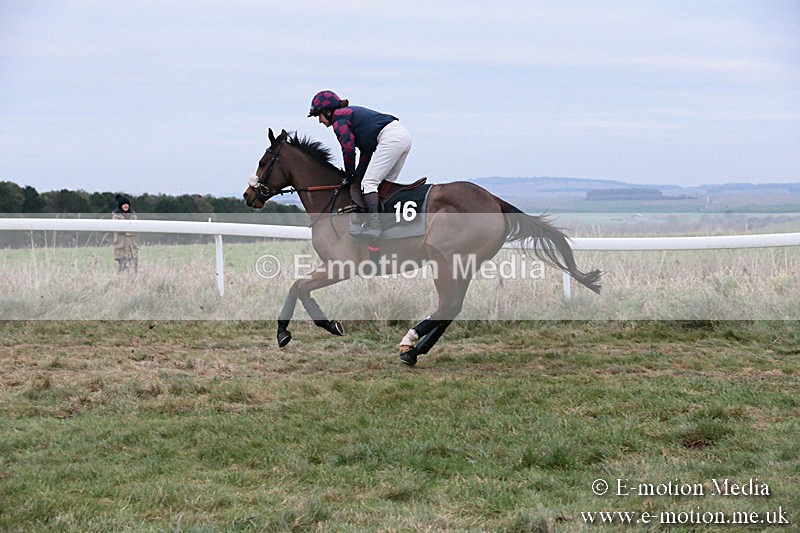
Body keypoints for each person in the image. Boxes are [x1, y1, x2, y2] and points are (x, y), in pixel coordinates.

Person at [308, 90, 412, 240]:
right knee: (384, 185)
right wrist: (355, 176)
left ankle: (374, 228)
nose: (319, 121)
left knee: (369, 183)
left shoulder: (340, 118)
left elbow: (348, 149)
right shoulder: (349, 116)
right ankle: (388, 225)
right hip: (402, 136)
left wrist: (349, 175)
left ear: (328, 111)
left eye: (319, 115)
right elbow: (366, 152)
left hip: (391, 139)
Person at [112, 194, 139, 273]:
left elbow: (136, 228)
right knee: (122, 264)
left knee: (134, 263)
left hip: (132, 243)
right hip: (121, 243)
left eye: (127, 204)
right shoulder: (116, 216)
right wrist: (128, 231)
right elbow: (117, 229)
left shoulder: (133, 216)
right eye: (124, 204)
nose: (126, 206)